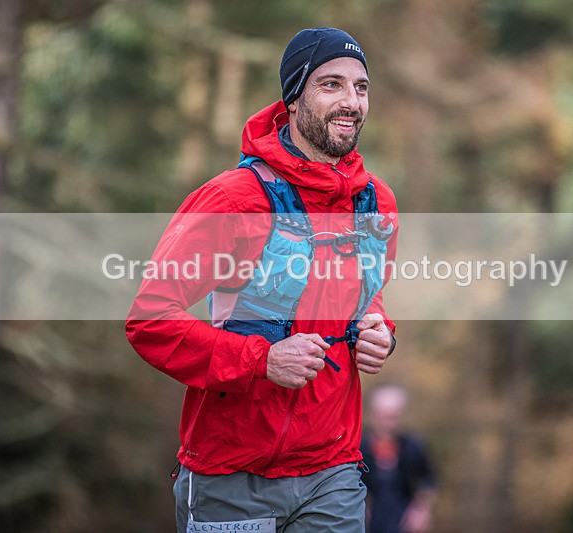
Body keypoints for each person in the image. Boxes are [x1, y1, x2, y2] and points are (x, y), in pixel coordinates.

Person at [126, 27, 399, 533]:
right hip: (230, 475)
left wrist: (379, 328)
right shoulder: (233, 200)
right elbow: (150, 320)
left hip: (332, 471)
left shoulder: (376, 204)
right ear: (293, 99)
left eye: (361, 88)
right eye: (331, 85)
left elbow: (369, 295)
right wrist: (262, 359)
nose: (352, 102)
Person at [360, 385, 437, 533]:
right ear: (372, 415)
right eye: (382, 416)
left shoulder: (413, 446)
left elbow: (429, 479)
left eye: (393, 416)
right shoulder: (358, 448)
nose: (387, 423)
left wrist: (421, 510)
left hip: (403, 521)